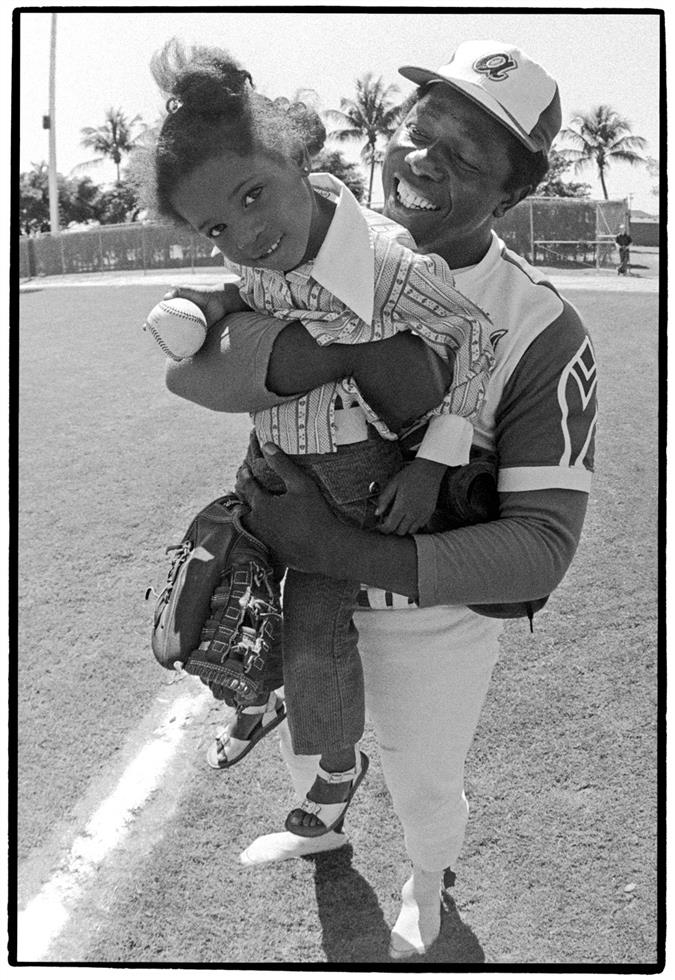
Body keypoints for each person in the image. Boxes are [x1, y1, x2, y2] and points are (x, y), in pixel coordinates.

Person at [165, 40, 597, 959]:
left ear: (513, 192)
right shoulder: (299, 227)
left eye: (466, 154)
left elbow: (539, 550)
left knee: (420, 778)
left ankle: (429, 887)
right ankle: (321, 822)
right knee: (317, 722)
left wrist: (337, 547)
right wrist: (312, 356)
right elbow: (197, 375)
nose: (421, 159)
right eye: (418, 130)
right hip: (301, 570)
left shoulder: (542, 328)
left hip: (422, 608)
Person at [140, 40, 496, 840]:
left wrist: (433, 466)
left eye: (255, 195)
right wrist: (212, 297)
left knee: (310, 627)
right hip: (272, 455)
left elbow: (476, 342)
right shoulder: (268, 247)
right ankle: (252, 700)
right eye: (217, 226)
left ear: (298, 160)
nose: (247, 232)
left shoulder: (386, 263)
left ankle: (335, 776)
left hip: (360, 479)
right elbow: (256, 287)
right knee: (218, 597)